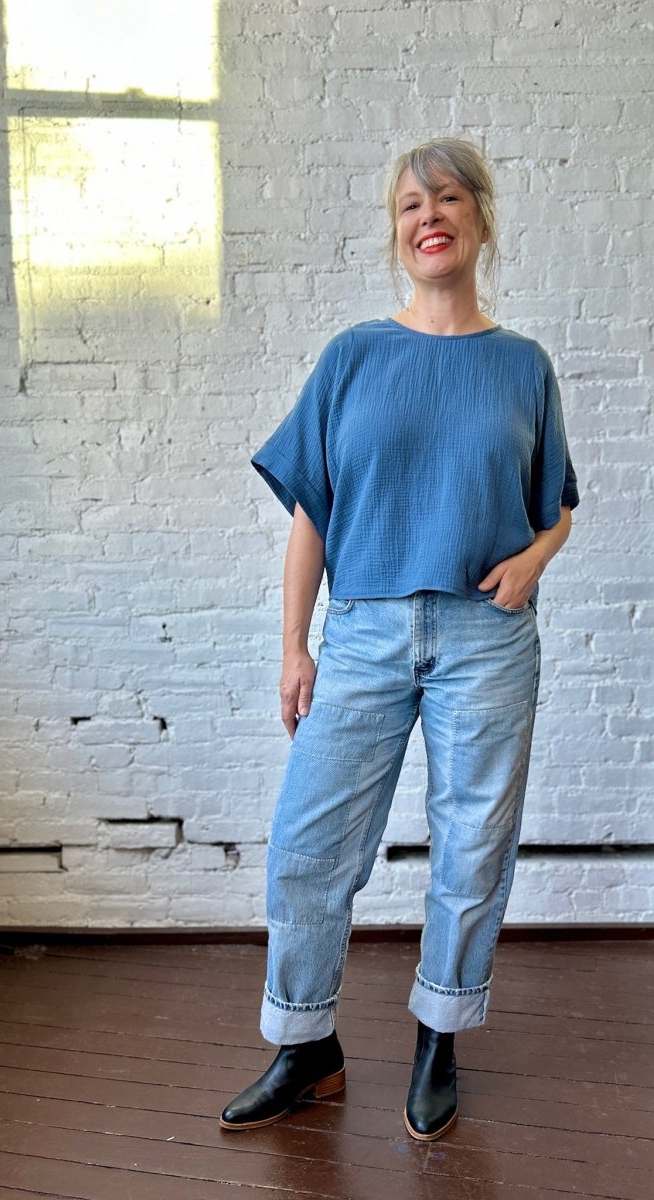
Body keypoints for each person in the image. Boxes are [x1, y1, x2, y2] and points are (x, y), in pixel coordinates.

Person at [220, 137, 579, 1142]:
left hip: (486, 635)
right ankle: (307, 1047)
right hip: (366, 630)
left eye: (449, 198)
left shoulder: (522, 366)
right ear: (396, 232)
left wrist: (535, 559)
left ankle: (439, 1039)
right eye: (412, 204)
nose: (431, 216)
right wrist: (295, 647)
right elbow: (313, 511)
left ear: (480, 220)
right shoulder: (353, 357)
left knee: (472, 846)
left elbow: (557, 504)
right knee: (308, 847)